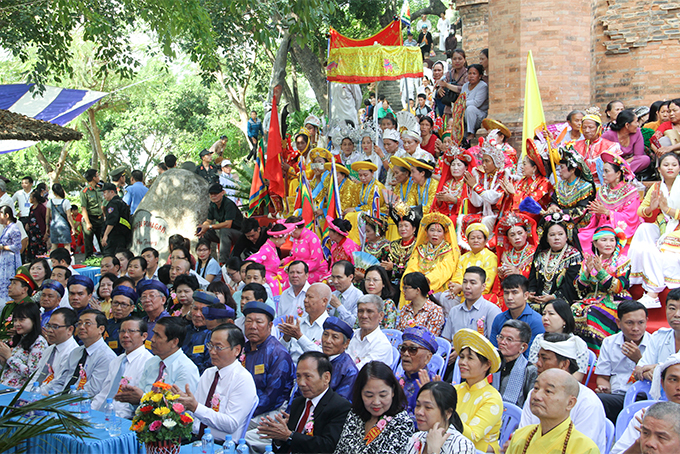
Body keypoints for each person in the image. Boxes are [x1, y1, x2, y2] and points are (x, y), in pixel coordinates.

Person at [519, 333, 607, 453]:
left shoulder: (588, 402)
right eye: (538, 357)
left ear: (564, 364)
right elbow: (523, 437)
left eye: (544, 358)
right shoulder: (534, 394)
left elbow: (582, 448)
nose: (537, 363)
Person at [173, 323, 257, 442]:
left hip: (222, 445)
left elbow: (231, 424)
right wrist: (184, 405)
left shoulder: (243, 379)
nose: (212, 352)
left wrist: (195, 407)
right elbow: (196, 413)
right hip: (195, 438)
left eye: (219, 347)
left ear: (236, 350)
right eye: (210, 345)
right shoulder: (209, 373)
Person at [257, 352, 351, 453]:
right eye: (298, 376)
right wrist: (278, 438)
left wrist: (289, 436)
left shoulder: (340, 407)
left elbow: (327, 446)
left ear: (326, 378)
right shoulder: (298, 403)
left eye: (308, 376)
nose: (301, 383)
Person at [505, 369, 599, 454]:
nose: (537, 396)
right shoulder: (520, 436)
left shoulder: (585, 449)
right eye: (536, 388)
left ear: (570, 403)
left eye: (548, 391)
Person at [629, 152, 680, 307]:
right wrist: (651, 208)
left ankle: (653, 291)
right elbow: (641, 211)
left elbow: (669, 212)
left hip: (677, 228)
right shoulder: (657, 187)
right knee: (644, 228)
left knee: (665, 249)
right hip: (664, 227)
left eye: (674, 164)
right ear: (659, 169)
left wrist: (668, 209)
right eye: (666, 165)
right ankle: (635, 275)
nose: (670, 168)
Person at [242, 300, 295, 440]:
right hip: (244, 407)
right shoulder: (243, 349)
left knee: (237, 432)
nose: (253, 326)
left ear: (270, 326)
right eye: (249, 321)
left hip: (270, 411)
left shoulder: (278, 354)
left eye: (259, 322)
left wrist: (241, 411)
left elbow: (272, 396)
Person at [573, 225, 632, 352]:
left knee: (591, 314)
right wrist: (587, 273)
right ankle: (579, 352)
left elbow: (618, 287)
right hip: (591, 299)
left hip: (614, 301)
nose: (609, 244)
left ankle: (598, 353)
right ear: (595, 242)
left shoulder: (622, 261)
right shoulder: (588, 261)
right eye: (604, 240)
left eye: (612, 240)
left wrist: (601, 272)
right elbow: (579, 288)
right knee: (573, 310)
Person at [116, 317, 200, 406]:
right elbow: (138, 397)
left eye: (158, 335)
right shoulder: (151, 362)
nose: (152, 339)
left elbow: (178, 407)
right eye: (153, 334)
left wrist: (142, 398)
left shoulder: (186, 369)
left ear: (174, 342)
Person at [333, 361, 412, 454]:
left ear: (393, 392)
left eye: (383, 395)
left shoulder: (402, 422)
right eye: (369, 396)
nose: (376, 402)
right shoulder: (355, 415)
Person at [595, 300, 650, 423]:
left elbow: (657, 377)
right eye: (629, 323)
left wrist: (638, 360)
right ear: (618, 323)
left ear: (646, 321)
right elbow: (603, 376)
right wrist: (604, 387)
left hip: (641, 395)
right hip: (616, 394)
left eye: (641, 323)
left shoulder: (654, 343)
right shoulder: (609, 342)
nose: (636, 328)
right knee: (596, 400)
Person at [612, 356, 680, 454]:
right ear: (662, 383)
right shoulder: (647, 416)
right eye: (673, 379)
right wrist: (642, 440)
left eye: (662, 437)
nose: (679, 387)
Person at [577, 151, 641, 253]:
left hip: (619, 229)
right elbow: (597, 218)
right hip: (602, 226)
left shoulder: (630, 192)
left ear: (618, 174)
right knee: (582, 237)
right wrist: (597, 213)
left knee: (607, 237)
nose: (603, 175)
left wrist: (607, 212)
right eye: (603, 171)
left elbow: (630, 218)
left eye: (607, 171)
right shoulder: (602, 190)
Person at [44, 309, 117, 396]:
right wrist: (47, 396)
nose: (82, 327)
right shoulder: (76, 352)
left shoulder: (106, 357)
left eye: (87, 323)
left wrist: (62, 400)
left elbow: (92, 390)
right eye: (79, 323)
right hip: (60, 401)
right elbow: (61, 381)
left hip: (82, 404)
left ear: (101, 329)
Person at [452, 328, 502, 453]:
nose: (462, 362)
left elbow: (473, 436)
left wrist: (445, 411)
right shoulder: (456, 389)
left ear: (487, 365)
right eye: (462, 357)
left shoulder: (492, 399)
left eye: (470, 358)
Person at [92, 318, 152, 418]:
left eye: (131, 331)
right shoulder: (116, 361)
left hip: (122, 420)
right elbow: (105, 392)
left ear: (144, 336)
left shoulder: (148, 363)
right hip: (101, 415)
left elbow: (132, 406)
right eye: (122, 331)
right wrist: (91, 410)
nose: (125, 335)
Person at [528, 212, 583, 306]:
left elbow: (570, 285)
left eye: (560, 234)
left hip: (561, 301)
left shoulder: (573, 256)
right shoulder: (541, 256)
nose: (556, 238)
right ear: (546, 238)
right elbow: (533, 279)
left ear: (567, 236)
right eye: (552, 235)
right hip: (539, 299)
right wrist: (531, 292)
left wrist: (553, 297)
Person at [402, 212, 459, 303]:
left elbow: (444, 270)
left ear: (444, 234)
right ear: (426, 232)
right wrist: (411, 280)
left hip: (436, 285)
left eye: (439, 231)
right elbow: (412, 266)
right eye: (432, 230)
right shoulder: (420, 249)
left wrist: (426, 280)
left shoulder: (448, 250)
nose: (435, 234)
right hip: (415, 284)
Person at [406, 381, 476, 454]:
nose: (419, 412)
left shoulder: (462, 445)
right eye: (418, 405)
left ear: (448, 413)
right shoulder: (416, 437)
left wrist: (434, 451)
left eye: (428, 407)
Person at [527, 299, 589, 380]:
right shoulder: (539, 339)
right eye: (544, 314)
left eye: (551, 314)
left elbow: (576, 378)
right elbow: (533, 368)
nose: (545, 318)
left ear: (564, 320)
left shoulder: (578, 343)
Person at [442, 266, 501, 349]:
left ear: (483, 287)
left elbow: (493, 345)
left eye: (473, 283)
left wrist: (462, 352)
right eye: (465, 282)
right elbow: (446, 340)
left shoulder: (491, 310)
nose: (467, 286)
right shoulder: (454, 311)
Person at [490, 275, 544, 355]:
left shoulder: (537, 321)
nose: (509, 297)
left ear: (526, 295)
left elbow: (533, 355)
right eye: (506, 293)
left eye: (514, 293)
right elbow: (493, 349)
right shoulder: (499, 318)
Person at [634, 288, 680, 382]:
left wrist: (659, 368)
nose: (677, 314)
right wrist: (647, 373)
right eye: (672, 308)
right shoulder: (659, 336)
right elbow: (639, 369)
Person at [546, 144, 596, 228]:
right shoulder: (560, 186)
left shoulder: (585, 187)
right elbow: (554, 201)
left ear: (572, 169)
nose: (560, 171)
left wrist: (561, 212)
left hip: (580, 225)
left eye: (562, 168)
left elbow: (582, 210)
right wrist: (553, 207)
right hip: (560, 222)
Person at [279, 282, 331, 363]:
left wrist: (299, 336)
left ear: (324, 301)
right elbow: (280, 353)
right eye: (305, 296)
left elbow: (323, 357)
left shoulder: (330, 328)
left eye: (310, 297)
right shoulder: (298, 323)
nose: (305, 300)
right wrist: (286, 338)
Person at [446, 222, 497, 302]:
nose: (475, 240)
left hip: (480, 295)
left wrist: (462, 288)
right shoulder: (463, 257)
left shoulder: (491, 257)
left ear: (485, 240)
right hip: (462, 292)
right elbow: (457, 277)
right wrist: (455, 287)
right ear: (468, 241)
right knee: (446, 297)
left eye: (479, 238)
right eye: (472, 238)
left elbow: (487, 284)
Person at [0, 302, 47, 388]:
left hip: (20, 394)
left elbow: (32, 374)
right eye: (15, 320)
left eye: (21, 320)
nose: (17, 324)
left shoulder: (39, 342)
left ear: (33, 320)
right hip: (6, 388)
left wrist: (9, 357)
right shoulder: (21, 339)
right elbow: (12, 367)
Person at [491, 320, 537, 407]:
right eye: (501, 337)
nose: (502, 342)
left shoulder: (530, 371)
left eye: (509, 339)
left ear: (523, 347)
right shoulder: (490, 363)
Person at [196, 183, 243, 263]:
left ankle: (223, 263)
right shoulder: (212, 205)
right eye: (211, 194)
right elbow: (209, 220)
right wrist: (203, 226)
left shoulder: (228, 204)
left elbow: (228, 224)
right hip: (224, 235)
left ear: (222, 193)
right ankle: (204, 259)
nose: (213, 196)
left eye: (216, 194)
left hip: (238, 234)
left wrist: (209, 226)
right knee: (204, 232)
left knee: (224, 231)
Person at [573, 107, 621, 186]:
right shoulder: (575, 146)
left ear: (599, 129)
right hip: (580, 185)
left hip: (603, 184)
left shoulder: (610, 146)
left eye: (591, 127)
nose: (587, 130)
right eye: (584, 127)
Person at [396, 326, 438, 416]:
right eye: (403, 348)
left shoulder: (434, 385)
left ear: (428, 357)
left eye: (413, 349)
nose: (406, 354)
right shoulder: (395, 381)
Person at [505, 138, 553, 217]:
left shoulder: (544, 182)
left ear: (534, 168)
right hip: (519, 215)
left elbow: (531, 202)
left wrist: (514, 193)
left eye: (524, 164)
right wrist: (508, 194)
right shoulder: (522, 181)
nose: (521, 167)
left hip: (534, 217)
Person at [432, 146, 478, 226]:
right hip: (446, 214)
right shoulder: (448, 183)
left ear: (466, 167)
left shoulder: (469, 182)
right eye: (453, 165)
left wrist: (454, 200)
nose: (455, 168)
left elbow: (471, 205)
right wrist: (440, 199)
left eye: (459, 165)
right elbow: (439, 206)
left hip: (461, 215)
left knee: (452, 220)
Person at [35, 307, 79, 390]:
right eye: (48, 326)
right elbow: (37, 375)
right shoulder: (49, 349)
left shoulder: (73, 353)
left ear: (70, 329)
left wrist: (34, 393)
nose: (50, 330)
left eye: (55, 327)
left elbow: (57, 384)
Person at [347, 295, 393, 369]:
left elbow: (361, 372)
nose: (364, 316)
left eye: (370, 311)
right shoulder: (351, 334)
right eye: (361, 311)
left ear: (381, 316)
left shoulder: (382, 345)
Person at [281, 216, 328, 284]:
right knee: (278, 274)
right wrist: (284, 261)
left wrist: (298, 269)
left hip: (313, 270)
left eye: (291, 232)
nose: (291, 235)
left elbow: (316, 261)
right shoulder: (296, 237)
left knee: (289, 281)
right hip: (298, 268)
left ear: (295, 229)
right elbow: (294, 257)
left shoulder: (312, 238)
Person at [321, 316, 359, 402]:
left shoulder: (349, 371)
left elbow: (340, 403)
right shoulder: (316, 360)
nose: (328, 341)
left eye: (335, 337)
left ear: (346, 343)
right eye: (325, 335)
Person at [248, 222, 291, 296]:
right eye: (284, 239)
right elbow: (252, 260)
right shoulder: (266, 249)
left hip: (272, 280)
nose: (284, 242)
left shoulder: (271, 247)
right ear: (278, 237)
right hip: (269, 282)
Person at [602, 108, 649, 173]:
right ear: (627, 125)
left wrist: (623, 164)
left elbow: (638, 155)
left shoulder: (637, 132)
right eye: (636, 122)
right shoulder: (608, 135)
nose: (638, 124)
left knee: (645, 159)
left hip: (629, 163)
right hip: (613, 165)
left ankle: (622, 173)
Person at [383, 204, 420, 285]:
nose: (403, 229)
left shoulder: (419, 245)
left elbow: (416, 269)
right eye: (400, 226)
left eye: (406, 226)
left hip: (412, 284)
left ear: (414, 228)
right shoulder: (393, 245)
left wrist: (394, 267)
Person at [329, 261, 363, 327]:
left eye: (339, 277)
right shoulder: (332, 294)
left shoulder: (358, 296)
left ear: (350, 277)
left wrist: (339, 306)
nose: (335, 281)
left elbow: (355, 323)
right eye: (333, 277)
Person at [100, 182, 131, 255]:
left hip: (115, 236)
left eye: (105, 193)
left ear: (112, 192)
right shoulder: (121, 202)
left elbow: (112, 221)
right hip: (123, 234)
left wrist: (105, 235)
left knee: (110, 256)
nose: (104, 195)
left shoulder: (113, 204)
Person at [105, 284, 137, 355]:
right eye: (116, 303)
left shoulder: (134, 327)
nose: (118, 308)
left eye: (123, 304)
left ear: (132, 308)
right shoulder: (105, 324)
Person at [80, 169, 105, 257]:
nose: (98, 177)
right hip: (90, 218)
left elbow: (102, 204)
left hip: (100, 218)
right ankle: (89, 261)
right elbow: (84, 208)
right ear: (93, 178)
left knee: (103, 241)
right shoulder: (85, 191)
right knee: (88, 243)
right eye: (97, 176)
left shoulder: (98, 189)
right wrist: (87, 223)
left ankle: (106, 258)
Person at [0, 206, 22, 304]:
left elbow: (18, 246)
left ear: (7, 215)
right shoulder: (6, 228)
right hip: (4, 259)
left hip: (11, 260)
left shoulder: (14, 228)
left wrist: (3, 247)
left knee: (10, 280)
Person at [460, 64, 488, 142]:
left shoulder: (483, 86)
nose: (471, 76)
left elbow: (477, 103)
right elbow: (461, 99)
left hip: (479, 115)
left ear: (480, 76)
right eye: (469, 73)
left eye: (474, 74)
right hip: (466, 116)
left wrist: (463, 104)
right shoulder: (465, 86)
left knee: (470, 108)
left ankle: (471, 133)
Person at [45, 183, 75, 252]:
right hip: (64, 226)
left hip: (54, 226)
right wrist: (72, 227)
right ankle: (68, 260)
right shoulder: (66, 202)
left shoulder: (50, 202)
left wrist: (47, 227)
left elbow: (47, 215)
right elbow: (69, 216)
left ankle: (52, 261)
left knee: (54, 246)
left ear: (54, 192)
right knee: (67, 245)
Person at [25, 189, 47, 261]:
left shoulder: (41, 208)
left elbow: (45, 220)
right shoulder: (31, 208)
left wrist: (46, 232)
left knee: (41, 248)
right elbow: (30, 217)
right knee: (33, 248)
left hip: (40, 232)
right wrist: (28, 224)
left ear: (34, 198)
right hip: (32, 232)